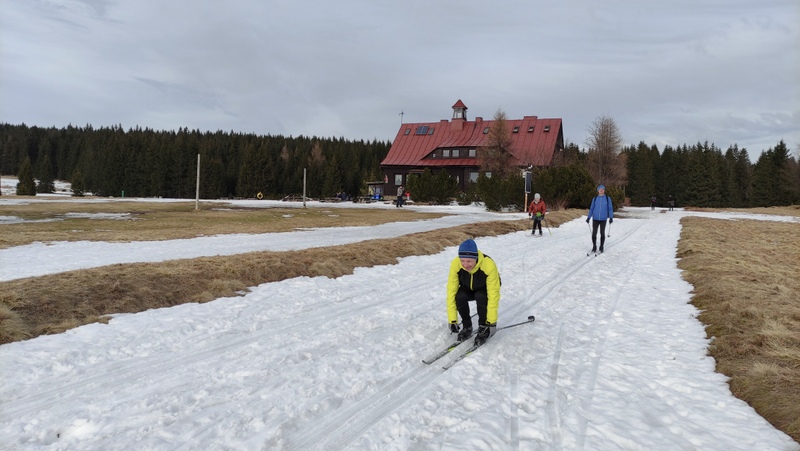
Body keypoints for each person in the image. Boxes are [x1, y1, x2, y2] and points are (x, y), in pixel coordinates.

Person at [446, 239, 501, 345]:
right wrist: (452, 320)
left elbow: (493, 295)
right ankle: (467, 326)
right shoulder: (456, 264)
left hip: (484, 289)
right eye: (462, 261)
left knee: (481, 296)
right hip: (467, 288)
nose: (465, 265)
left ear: (476, 258)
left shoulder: (488, 264)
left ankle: (483, 327)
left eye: (469, 261)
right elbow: (451, 292)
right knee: (459, 295)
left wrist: (491, 323)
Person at [586, 184, 613, 253]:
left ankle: (601, 246)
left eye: (602, 189)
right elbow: (592, 208)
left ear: (604, 190)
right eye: (600, 189)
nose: (601, 190)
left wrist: (611, 217)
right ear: (598, 190)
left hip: (603, 219)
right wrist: (588, 217)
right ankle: (594, 246)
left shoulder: (607, 198)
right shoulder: (595, 199)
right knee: (594, 233)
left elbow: (610, 208)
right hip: (595, 218)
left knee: (602, 233)